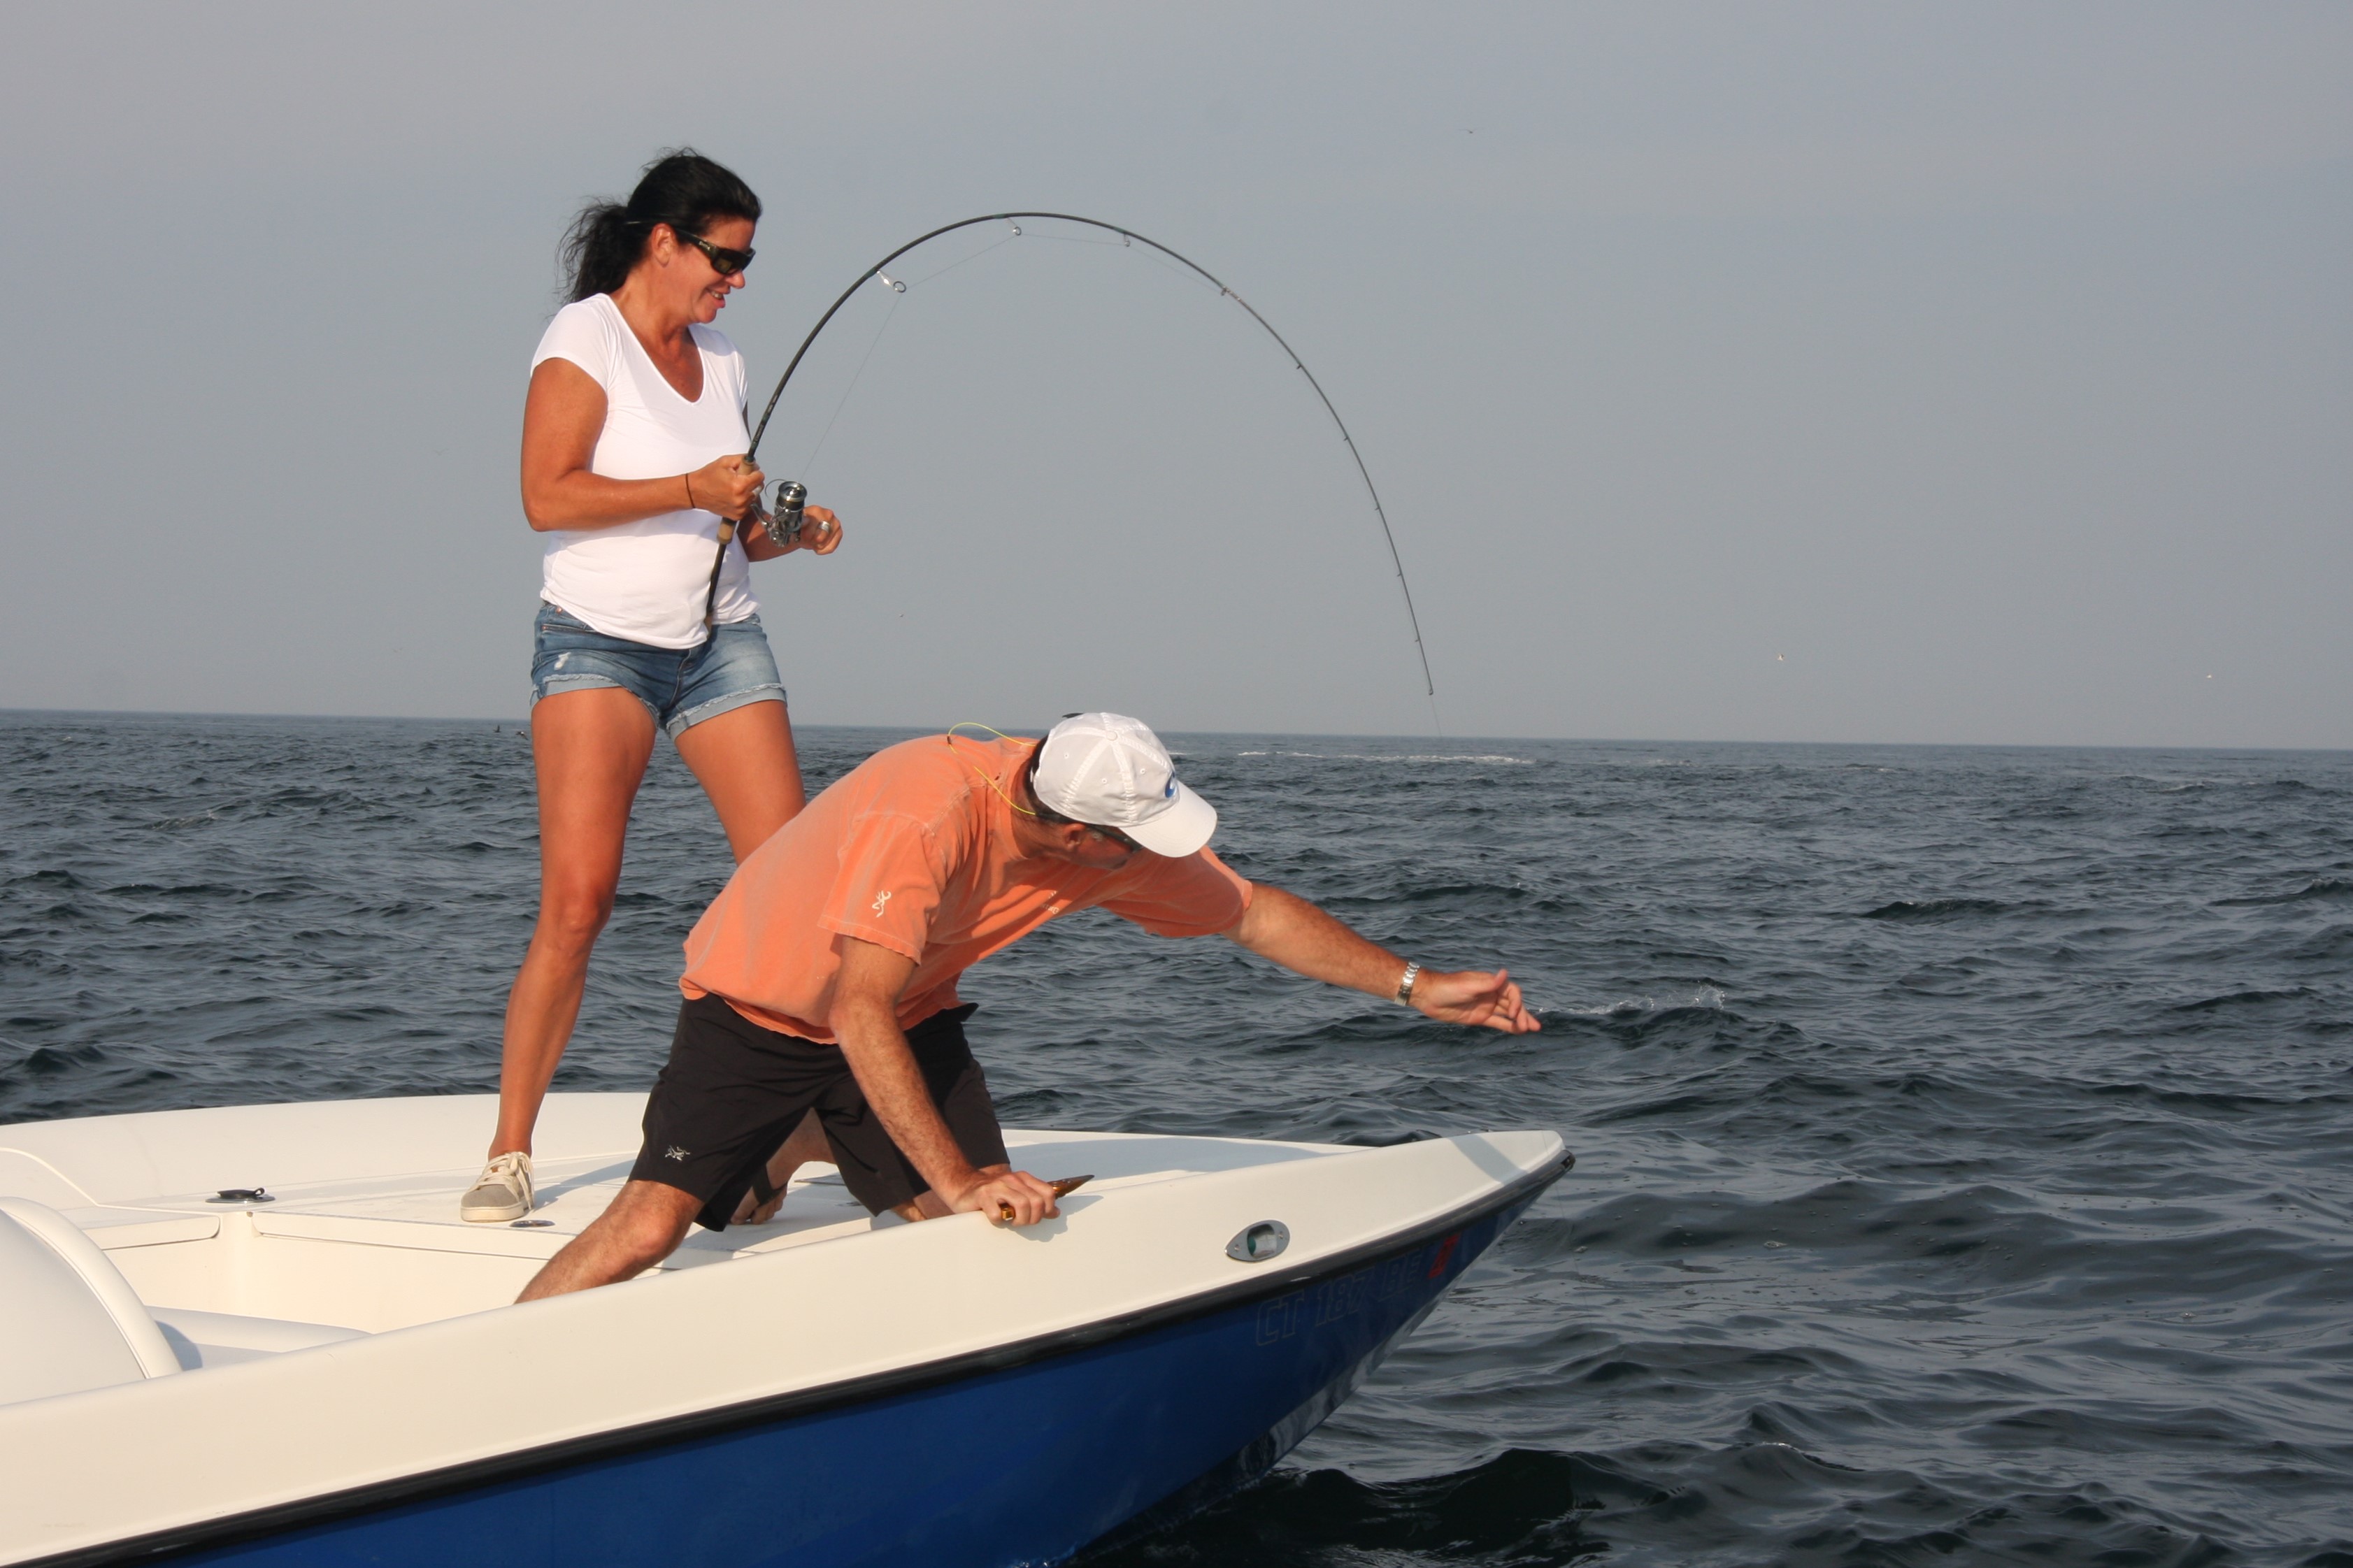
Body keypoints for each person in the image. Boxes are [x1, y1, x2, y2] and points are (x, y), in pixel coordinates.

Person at [518, 714, 1540, 1300]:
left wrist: (1415, 985)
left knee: (954, 1223)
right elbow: (852, 1010)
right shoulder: (922, 813)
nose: (1152, 858)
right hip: (761, 1014)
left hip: (905, 1015)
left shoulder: (1109, 846)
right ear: (1058, 825)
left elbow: (1253, 914)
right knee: (656, 1230)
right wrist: (959, 1177)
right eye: (1130, 841)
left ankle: (803, 1144)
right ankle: (491, 1373)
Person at [462, 150, 845, 1222]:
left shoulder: (721, 358)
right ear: (662, 242)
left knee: (797, 894)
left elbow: (718, 528)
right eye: (725, 256)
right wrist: (690, 483)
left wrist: (786, 534)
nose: (738, 277)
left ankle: (784, 1131)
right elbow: (548, 494)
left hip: (721, 640)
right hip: (601, 643)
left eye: (749, 260)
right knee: (579, 903)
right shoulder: (584, 337)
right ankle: (508, 1151)